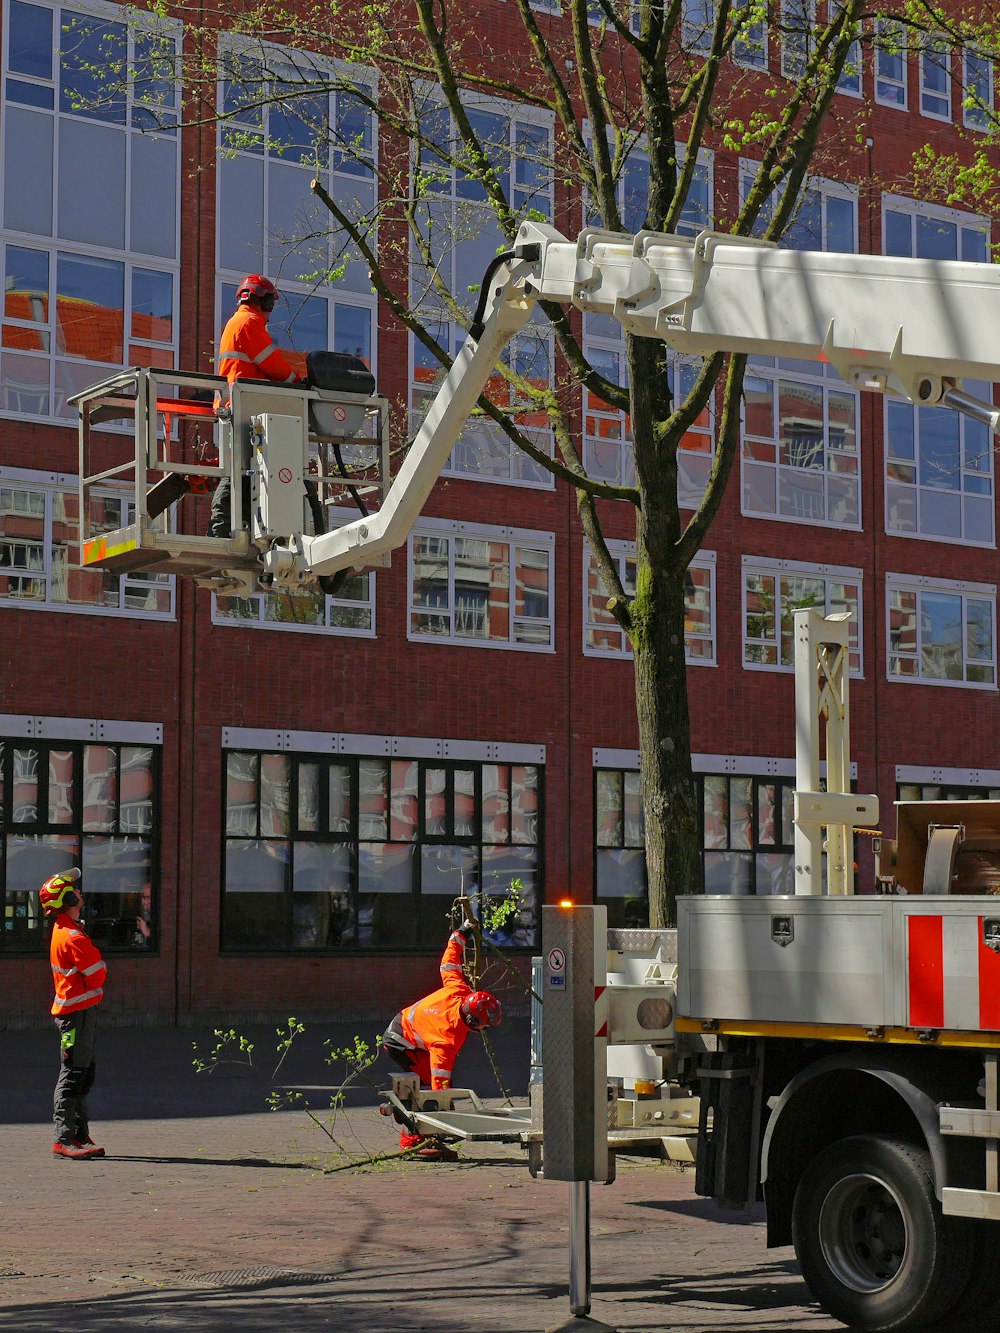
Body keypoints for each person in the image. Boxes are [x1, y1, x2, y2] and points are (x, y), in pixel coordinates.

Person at [382, 922, 502, 1160]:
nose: (486, 1028)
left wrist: (462, 933)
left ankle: (422, 1128)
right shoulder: (446, 1040)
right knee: (427, 1092)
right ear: (472, 1021)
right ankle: (415, 1139)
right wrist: (445, 1115)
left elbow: (449, 962)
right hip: (400, 1041)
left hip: (408, 1028)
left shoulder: (460, 990)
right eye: (484, 1024)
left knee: (429, 1090)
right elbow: (440, 1084)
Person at [208, 274, 301, 538]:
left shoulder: (237, 322)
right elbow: (270, 361)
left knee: (243, 467)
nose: (270, 312)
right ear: (264, 301)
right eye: (270, 303)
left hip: (237, 403)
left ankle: (234, 524)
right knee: (239, 469)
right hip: (244, 403)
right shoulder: (249, 322)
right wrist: (296, 381)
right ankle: (223, 528)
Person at [39, 869, 107, 1160]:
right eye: (74, 890)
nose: (79, 892)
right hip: (76, 1015)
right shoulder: (73, 937)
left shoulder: (66, 930)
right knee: (73, 1075)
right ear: (68, 898)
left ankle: (79, 1136)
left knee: (82, 1074)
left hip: (80, 1014)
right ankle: (64, 1139)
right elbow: (98, 975)